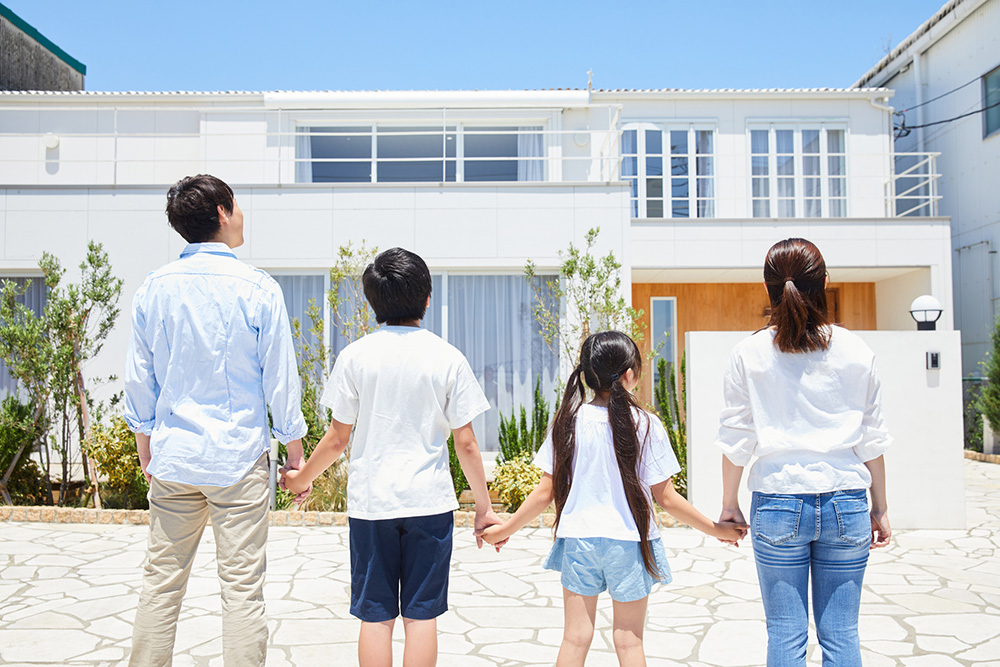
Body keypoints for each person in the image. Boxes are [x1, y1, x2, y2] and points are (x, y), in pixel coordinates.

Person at [280, 247, 502, 667]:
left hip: (372, 504)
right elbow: (467, 443)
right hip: (429, 504)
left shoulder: (355, 356)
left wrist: (300, 478)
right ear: (427, 298)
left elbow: (337, 439)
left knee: (376, 616)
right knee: (422, 617)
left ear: (373, 302)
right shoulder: (447, 357)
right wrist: (483, 507)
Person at [124, 174, 309, 666]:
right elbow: (280, 378)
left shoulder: (153, 288)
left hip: (174, 456)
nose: (242, 214)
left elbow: (140, 378)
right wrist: (294, 454)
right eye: (238, 205)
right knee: (242, 589)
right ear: (223, 213)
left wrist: (146, 448)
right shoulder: (258, 288)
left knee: (160, 585)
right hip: (239, 459)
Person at [481, 331, 748, 667]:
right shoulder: (646, 424)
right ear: (629, 374)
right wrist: (716, 529)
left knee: (575, 638)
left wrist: (504, 529)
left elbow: (545, 492)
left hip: (580, 540)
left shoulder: (568, 421)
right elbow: (666, 498)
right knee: (629, 641)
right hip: (629, 542)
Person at [715, 238, 892, 667]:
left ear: (767, 287)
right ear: (825, 282)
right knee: (842, 635)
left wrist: (729, 506)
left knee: (785, 634)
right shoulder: (856, 350)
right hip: (846, 502)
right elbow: (871, 439)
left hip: (777, 500)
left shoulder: (748, 353)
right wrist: (881, 508)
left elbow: (737, 440)